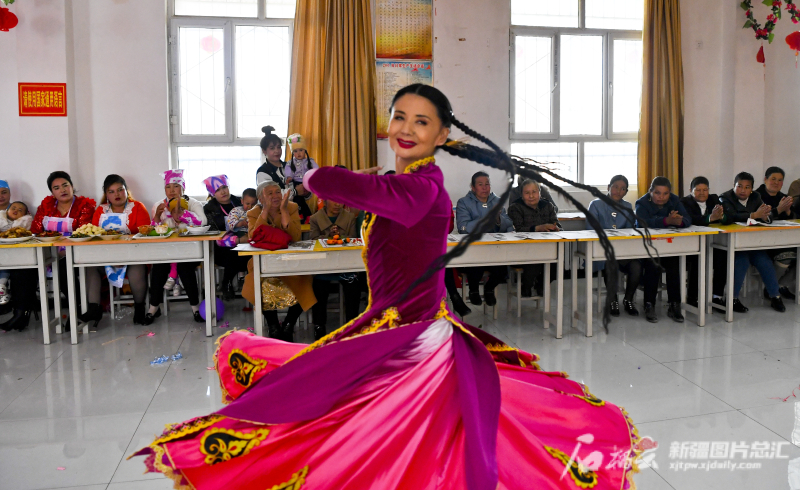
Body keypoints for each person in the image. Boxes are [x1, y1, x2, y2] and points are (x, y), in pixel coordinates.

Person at [132, 83, 640, 490]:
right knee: (364, 427)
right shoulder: (410, 186)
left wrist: (313, 177)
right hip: (400, 326)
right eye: (400, 116)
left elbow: (333, 182)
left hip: (411, 338)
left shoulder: (420, 187)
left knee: (379, 437)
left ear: (442, 135)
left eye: (423, 121)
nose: (407, 128)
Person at [243, 180, 316, 341]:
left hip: (290, 260)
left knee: (305, 279)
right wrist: (266, 211)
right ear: (260, 198)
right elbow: (252, 237)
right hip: (264, 261)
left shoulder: (291, 207)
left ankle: (289, 324)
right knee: (262, 283)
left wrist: (283, 211)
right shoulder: (254, 212)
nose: (275, 196)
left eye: (277, 192)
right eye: (270, 194)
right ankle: (273, 325)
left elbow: (296, 237)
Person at [31, 171, 97, 332]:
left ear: (72, 186)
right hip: (50, 254)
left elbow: (84, 231)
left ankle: (76, 310)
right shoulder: (46, 207)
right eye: (57, 188)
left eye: (65, 185)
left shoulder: (84, 206)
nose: (62, 190)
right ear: (52, 192)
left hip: (77, 251)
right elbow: (36, 230)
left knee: (63, 268)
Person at [144, 170, 207, 325]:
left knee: (185, 268)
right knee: (158, 269)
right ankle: (152, 309)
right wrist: (157, 218)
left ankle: (196, 309)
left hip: (189, 250)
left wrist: (184, 215)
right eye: (168, 187)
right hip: (166, 251)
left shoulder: (193, 203)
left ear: (183, 187)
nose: (172, 190)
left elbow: (203, 221)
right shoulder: (159, 206)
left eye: (176, 186)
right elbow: (154, 231)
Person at [719, 172, 786, 312]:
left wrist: (766, 216)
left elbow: (765, 215)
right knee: (741, 261)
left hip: (752, 242)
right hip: (731, 244)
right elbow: (730, 216)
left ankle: (775, 296)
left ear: (752, 188)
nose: (743, 190)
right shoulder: (724, 197)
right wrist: (753, 215)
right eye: (739, 186)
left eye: (747, 187)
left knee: (764, 261)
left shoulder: (756, 197)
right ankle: (732, 299)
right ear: (734, 185)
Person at [90, 175, 151, 324]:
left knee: (137, 267)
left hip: (133, 255)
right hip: (106, 257)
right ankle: (94, 309)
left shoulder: (137, 207)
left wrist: (124, 256)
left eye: (120, 190)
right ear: (106, 194)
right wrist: (110, 257)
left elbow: (144, 235)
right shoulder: (100, 210)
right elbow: (94, 235)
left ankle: (139, 308)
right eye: (111, 191)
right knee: (89, 267)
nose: (116, 194)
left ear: (126, 190)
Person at [635, 176, 690, 323]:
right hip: (648, 248)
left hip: (668, 247)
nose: (661, 197)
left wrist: (678, 222)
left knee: (674, 265)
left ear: (670, 193)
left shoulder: (674, 200)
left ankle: (674, 305)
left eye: (665, 193)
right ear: (650, 192)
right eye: (657, 193)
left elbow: (687, 219)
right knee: (653, 265)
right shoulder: (642, 202)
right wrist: (666, 221)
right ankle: (649, 304)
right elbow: (641, 223)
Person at [456, 171, 513, 306]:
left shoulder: (498, 201)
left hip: (494, 248)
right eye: (480, 185)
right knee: (476, 263)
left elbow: (508, 224)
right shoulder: (464, 202)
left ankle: (489, 288)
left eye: (487, 184)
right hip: (473, 248)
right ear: (473, 187)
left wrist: (498, 220)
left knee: (503, 268)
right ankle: (474, 290)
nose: (484, 188)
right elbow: (463, 227)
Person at [309, 198, 362, 340]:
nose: (337, 204)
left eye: (340, 201)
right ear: (325, 201)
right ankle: (319, 326)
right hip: (324, 265)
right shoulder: (315, 218)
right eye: (334, 201)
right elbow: (313, 241)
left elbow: (353, 239)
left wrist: (340, 237)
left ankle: (352, 324)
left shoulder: (349, 217)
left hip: (345, 263)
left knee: (354, 283)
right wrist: (328, 236)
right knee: (318, 286)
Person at [587, 175, 640, 316]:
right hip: (602, 250)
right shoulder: (595, 204)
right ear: (608, 187)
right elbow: (591, 230)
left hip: (622, 250)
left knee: (636, 265)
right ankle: (613, 299)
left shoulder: (627, 206)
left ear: (626, 192)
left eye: (623, 189)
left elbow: (630, 232)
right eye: (615, 187)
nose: (618, 191)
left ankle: (628, 299)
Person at [680, 176, 731, 310]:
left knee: (723, 255)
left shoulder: (714, 199)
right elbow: (690, 219)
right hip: (691, 245)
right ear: (691, 190)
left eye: (705, 190)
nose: (702, 193)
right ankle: (692, 297)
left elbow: (727, 216)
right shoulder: (684, 202)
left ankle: (716, 296)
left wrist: (722, 217)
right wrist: (710, 218)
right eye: (698, 190)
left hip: (712, 243)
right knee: (699, 259)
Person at [508, 179, 561, 298]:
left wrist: (554, 228)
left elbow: (557, 224)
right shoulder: (515, 207)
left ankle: (540, 285)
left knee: (555, 267)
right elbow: (518, 229)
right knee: (535, 263)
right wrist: (538, 228)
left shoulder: (548, 205)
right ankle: (526, 286)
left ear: (540, 193)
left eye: (534, 192)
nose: (531, 196)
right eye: (527, 193)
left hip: (547, 247)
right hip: (524, 247)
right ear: (521, 195)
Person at [203, 174, 251, 301]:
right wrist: (237, 239)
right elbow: (213, 233)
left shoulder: (240, 201)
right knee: (233, 254)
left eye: (224, 187)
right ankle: (227, 283)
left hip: (245, 242)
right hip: (221, 247)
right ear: (212, 193)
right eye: (218, 190)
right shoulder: (209, 208)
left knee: (250, 253)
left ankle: (240, 283)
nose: (223, 191)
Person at [755, 166, 796, 300]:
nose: (776, 182)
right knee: (786, 255)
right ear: (765, 179)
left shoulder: (784, 197)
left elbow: (794, 219)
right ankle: (771, 287)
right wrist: (778, 209)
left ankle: (780, 285)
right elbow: (759, 219)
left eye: (780, 180)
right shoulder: (756, 196)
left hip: (785, 238)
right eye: (773, 179)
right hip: (763, 240)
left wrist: (789, 211)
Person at [0, 201, 33, 308]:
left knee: (7, 264)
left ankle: (2, 286)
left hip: (17, 252)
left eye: (20, 210)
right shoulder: (1, 219)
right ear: (7, 210)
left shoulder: (24, 223)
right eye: (13, 208)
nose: (16, 211)